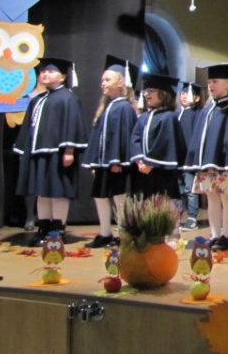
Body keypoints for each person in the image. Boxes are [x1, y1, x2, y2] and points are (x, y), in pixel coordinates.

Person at [14, 57, 87, 246]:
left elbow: (72, 123)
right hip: (39, 154)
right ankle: (43, 228)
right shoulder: (38, 100)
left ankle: (57, 231)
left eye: (51, 71)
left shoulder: (67, 98)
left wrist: (69, 150)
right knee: (42, 193)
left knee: (58, 192)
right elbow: (28, 128)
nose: (45, 74)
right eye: (43, 71)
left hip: (57, 154)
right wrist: (24, 151)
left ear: (62, 77)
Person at [184, 64, 228, 251]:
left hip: (223, 165)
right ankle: (215, 234)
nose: (211, 85)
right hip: (207, 164)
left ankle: (227, 236)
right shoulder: (207, 109)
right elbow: (199, 137)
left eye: (215, 81)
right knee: (211, 199)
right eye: (209, 82)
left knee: (226, 198)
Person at [82, 55, 138, 248]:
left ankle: (124, 233)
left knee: (119, 197)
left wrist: (117, 160)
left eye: (107, 80)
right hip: (103, 163)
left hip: (117, 164)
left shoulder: (124, 107)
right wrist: (95, 162)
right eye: (102, 80)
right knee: (100, 195)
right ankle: (105, 233)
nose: (103, 84)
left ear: (121, 82)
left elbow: (124, 136)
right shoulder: (106, 107)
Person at [130, 73, 187, 206]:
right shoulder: (144, 117)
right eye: (146, 91)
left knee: (164, 208)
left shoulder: (169, 117)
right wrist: (140, 161)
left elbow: (164, 142)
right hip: (143, 171)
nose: (147, 94)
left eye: (151, 91)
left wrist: (149, 163)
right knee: (145, 207)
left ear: (163, 93)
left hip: (163, 173)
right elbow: (135, 138)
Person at [177, 81, 203, 231]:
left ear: (197, 98)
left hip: (190, 158)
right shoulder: (177, 114)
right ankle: (180, 216)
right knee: (180, 189)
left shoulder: (197, 114)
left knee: (190, 189)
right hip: (177, 158)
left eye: (188, 94)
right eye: (182, 93)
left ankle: (192, 217)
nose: (184, 96)